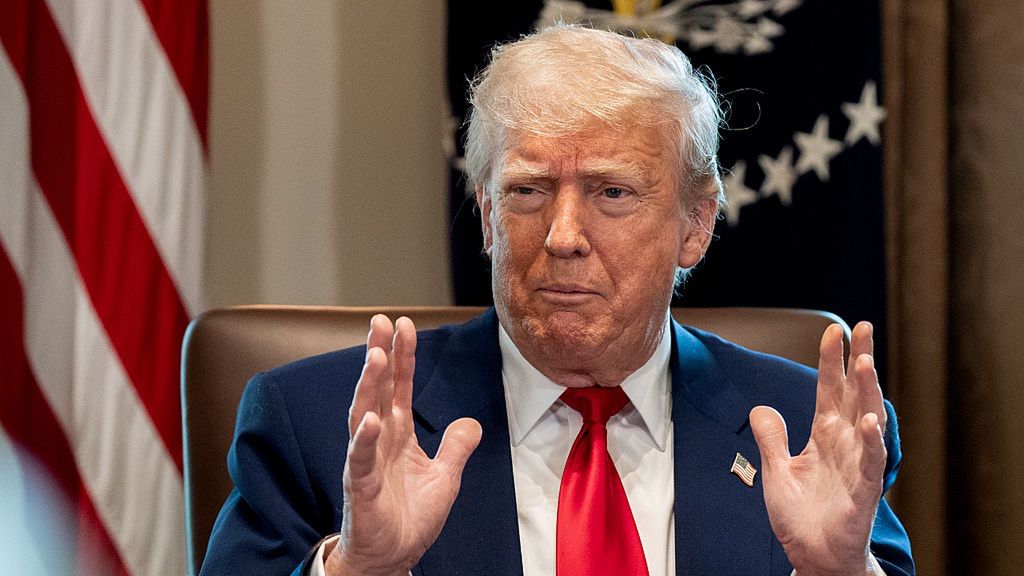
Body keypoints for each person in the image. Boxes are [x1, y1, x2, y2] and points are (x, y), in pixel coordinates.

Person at [200, 24, 914, 576]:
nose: (563, 235)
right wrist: (358, 569)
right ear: (488, 218)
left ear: (695, 226)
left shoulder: (811, 429)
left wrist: (841, 573)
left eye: (612, 192)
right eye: (528, 191)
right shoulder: (317, 425)